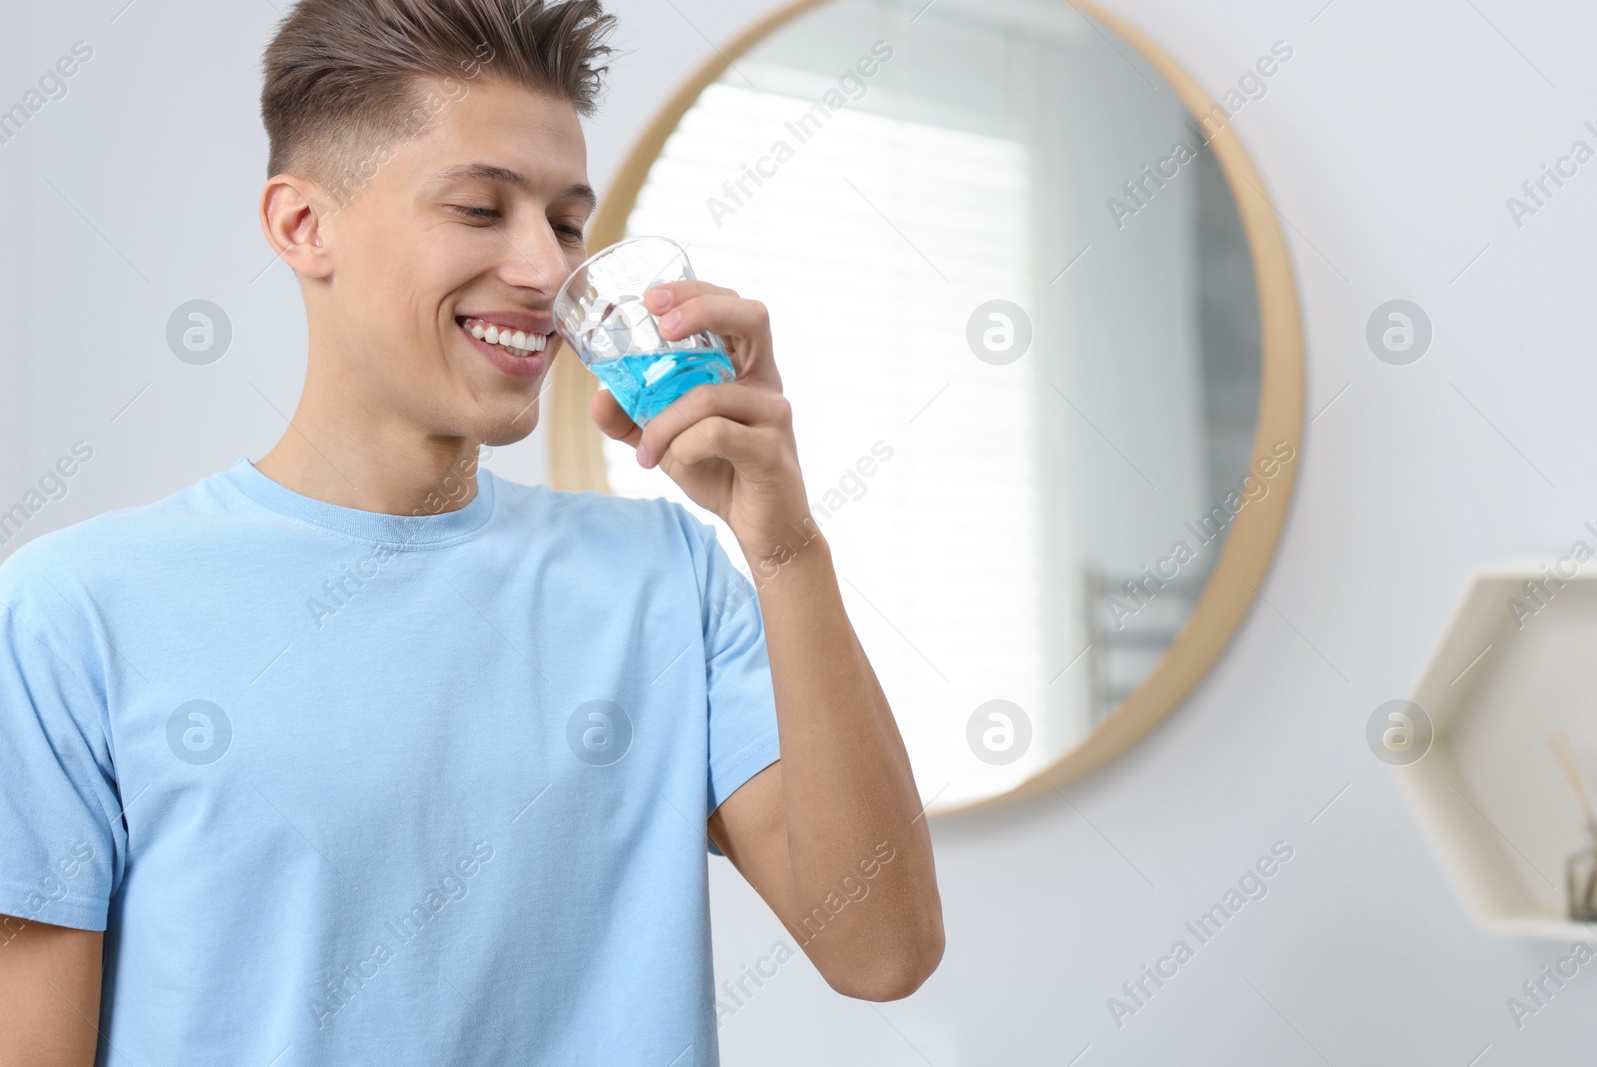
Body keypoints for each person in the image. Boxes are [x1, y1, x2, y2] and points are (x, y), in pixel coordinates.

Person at [0, 1, 943, 1063]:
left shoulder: (666, 581)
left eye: (568, 221)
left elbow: (882, 953)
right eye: (481, 209)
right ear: (302, 225)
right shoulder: (71, 613)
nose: (545, 271)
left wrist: (785, 549)